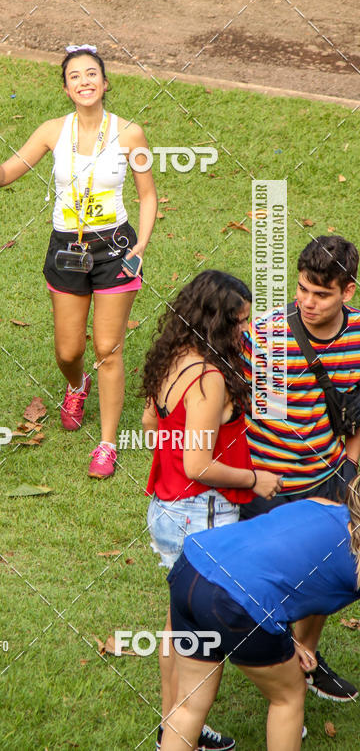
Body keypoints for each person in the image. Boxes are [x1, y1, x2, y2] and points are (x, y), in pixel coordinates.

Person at [0, 44, 157, 477]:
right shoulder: (52, 131)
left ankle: (107, 444)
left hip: (115, 249)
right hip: (66, 248)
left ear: (105, 82)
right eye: (75, 76)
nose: (85, 81)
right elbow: (2, 178)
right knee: (68, 350)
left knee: (107, 349)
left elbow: (148, 196)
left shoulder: (130, 133)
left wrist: (139, 248)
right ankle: (77, 385)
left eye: (92, 74)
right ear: (66, 87)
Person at [142, 270, 282, 751]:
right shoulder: (208, 378)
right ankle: (185, 734)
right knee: (206, 640)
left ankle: (173, 723)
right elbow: (199, 464)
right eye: (240, 323)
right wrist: (253, 478)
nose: (245, 331)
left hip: (166, 507)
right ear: (219, 321)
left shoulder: (171, 357)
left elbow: (149, 423)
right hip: (200, 515)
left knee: (176, 622)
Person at [241, 235, 360, 701]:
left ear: (347, 292)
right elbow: (237, 409)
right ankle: (282, 671)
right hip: (268, 484)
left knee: (327, 575)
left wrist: (349, 472)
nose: (308, 302)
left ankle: (304, 660)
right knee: (273, 584)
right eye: (302, 289)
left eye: (322, 293)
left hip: (330, 477)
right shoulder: (269, 337)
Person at [160, 477, 360, 751]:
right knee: (288, 697)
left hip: (193, 568)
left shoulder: (321, 504)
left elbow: (281, 567)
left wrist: (287, 639)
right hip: (237, 604)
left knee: (187, 706)